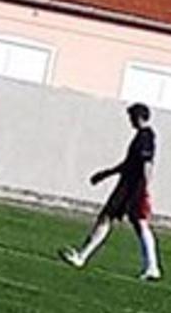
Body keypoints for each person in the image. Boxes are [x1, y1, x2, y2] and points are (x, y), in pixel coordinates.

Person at [60, 103, 163, 280]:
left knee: (122, 220)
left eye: (131, 117)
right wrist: (106, 174)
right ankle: (151, 267)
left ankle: (82, 257)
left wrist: (144, 188)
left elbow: (147, 164)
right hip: (128, 185)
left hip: (132, 187)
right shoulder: (142, 136)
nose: (130, 121)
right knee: (126, 221)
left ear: (138, 117)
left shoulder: (146, 137)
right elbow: (129, 164)